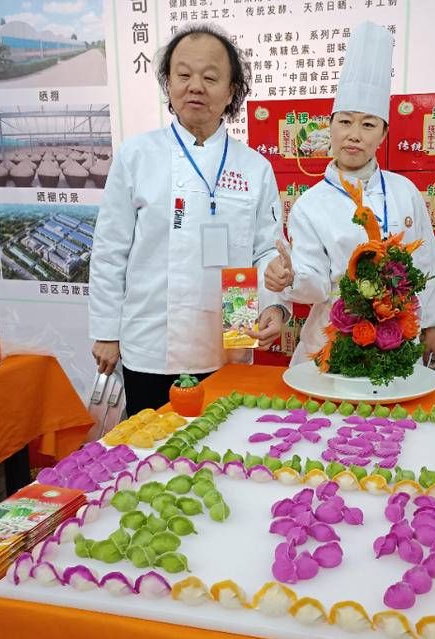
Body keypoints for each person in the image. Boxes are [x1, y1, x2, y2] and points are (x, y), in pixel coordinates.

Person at [89, 24, 287, 416]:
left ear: (231, 91)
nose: (195, 86)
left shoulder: (255, 167)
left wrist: (275, 305)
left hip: (231, 332)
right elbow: (110, 250)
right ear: (169, 85)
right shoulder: (137, 156)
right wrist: (106, 332)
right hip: (151, 339)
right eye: (183, 75)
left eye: (210, 77)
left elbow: (266, 248)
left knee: (223, 446)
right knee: (153, 450)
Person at [265, 21, 435, 367]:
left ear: (383, 134)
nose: (354, 135)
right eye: (345, 122)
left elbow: (427, 265)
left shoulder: (404, 191)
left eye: (368, 125)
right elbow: (315, 283)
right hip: (331, 344)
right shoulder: (310, 204)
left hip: (399, 344)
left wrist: (434, 327)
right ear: (330, 127)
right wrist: (292, 278)